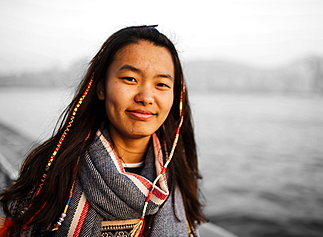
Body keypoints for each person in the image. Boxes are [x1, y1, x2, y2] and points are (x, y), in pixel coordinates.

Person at [0, 25, 207, 236]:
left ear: (175, 97)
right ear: (101, 87)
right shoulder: (54, 171)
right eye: (130, 79)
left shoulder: (178, 173)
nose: (145, 97)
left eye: (161, 84)